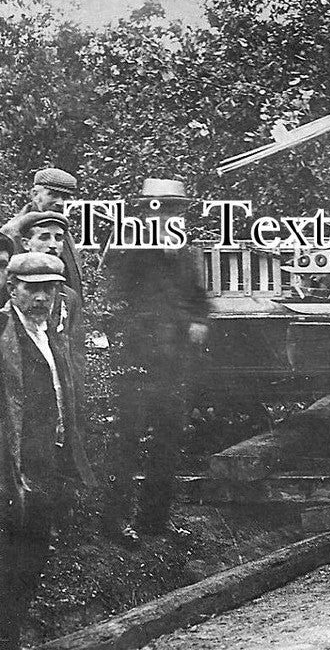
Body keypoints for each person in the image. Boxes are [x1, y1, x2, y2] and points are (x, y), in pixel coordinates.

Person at [0, 253, 97, 650]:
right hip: (10, 460)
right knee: (11, 546)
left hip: (48, 458)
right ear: (12, 289)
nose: (41, 297)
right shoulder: (4, 333)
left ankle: (11, 629)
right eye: (32, 288)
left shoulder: (52, 333)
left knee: (35, 546)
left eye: (50, 288)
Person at [104, 179, 209, 544]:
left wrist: (198, 320)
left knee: (168, 440)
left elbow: (199, 297)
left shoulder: (185, 253)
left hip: (175, 365)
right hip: (136, 362)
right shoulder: (128, 249)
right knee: (127, 441)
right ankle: (114, 522)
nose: (168, 216)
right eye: (160, 208)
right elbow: (113, 301)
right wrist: (130, 342)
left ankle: (155, 521)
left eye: (175, 209)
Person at [13, 212, 88, 407]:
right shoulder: (10, 288)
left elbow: (76, 358)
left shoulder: (69, 297)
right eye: (44, 237)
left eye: (59, 238)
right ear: (26, 243)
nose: (53, 245)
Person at [2, 168, 84, 298]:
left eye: (65, 197)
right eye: (53, 194)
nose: (60, 203)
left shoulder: (63, 231)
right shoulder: (11, 233)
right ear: (35, 194)